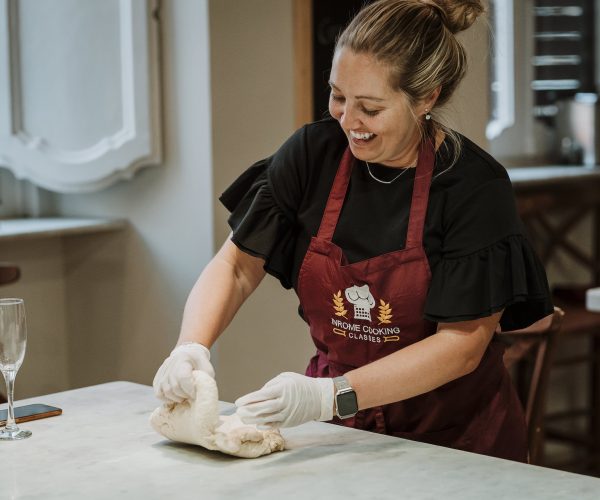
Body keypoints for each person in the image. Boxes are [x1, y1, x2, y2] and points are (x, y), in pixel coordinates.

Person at [153, 0, 553, 462]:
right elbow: (238, 266)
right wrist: (190, 347)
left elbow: (461, 344)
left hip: (455, 439)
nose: (347, 120)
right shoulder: (312, 156)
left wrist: (330, 395)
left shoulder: (472, 187)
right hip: (341, 437)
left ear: (427, 97)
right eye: (338, 96)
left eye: (370, 107)